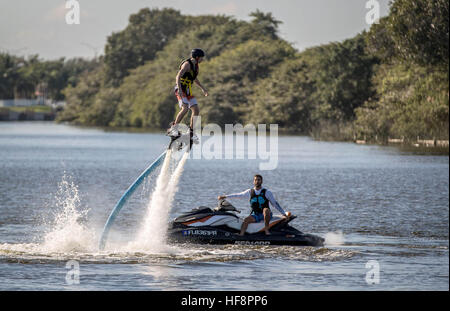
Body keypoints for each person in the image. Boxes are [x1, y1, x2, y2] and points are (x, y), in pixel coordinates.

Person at [217, 174, 290, 236]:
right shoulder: (250, 192)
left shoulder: (267, 192)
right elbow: (238, 195)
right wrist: (225, 196)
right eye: (255, 180)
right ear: (253, 181)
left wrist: (283, 213)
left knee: (266, 210)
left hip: (266, 214)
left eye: (259, 180)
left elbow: (275, 204)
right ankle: (241, 235)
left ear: (261, 181)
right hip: (255, 215)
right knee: (246, 220)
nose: (257, 181)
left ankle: (266, 230)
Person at [167, 48, 208, 140]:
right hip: (180, 89)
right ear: (197, 57)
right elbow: (178, 76)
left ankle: (191, 132)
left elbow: (194, 78)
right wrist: (180, 89)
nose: (202, 59)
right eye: (201, 58)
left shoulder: (196, 66)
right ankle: (173, 128)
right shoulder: (187, 64)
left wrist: (203, 88)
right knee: (185, 108)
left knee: (196, 110)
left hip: (188, 90)